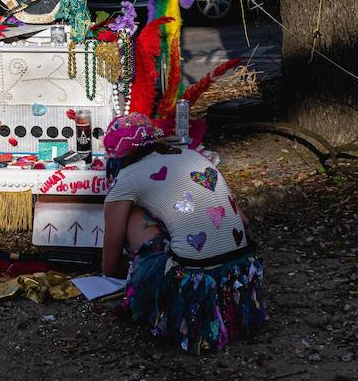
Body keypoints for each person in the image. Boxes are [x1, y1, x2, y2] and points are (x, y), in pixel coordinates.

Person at [100, 113, 266, 353]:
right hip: (240, 274)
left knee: (135, 216)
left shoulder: (127, 178)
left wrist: (130, 274)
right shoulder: (193, 156)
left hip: (191, 280)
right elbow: (243, 220)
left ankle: (145, 298)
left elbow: (109, 266)